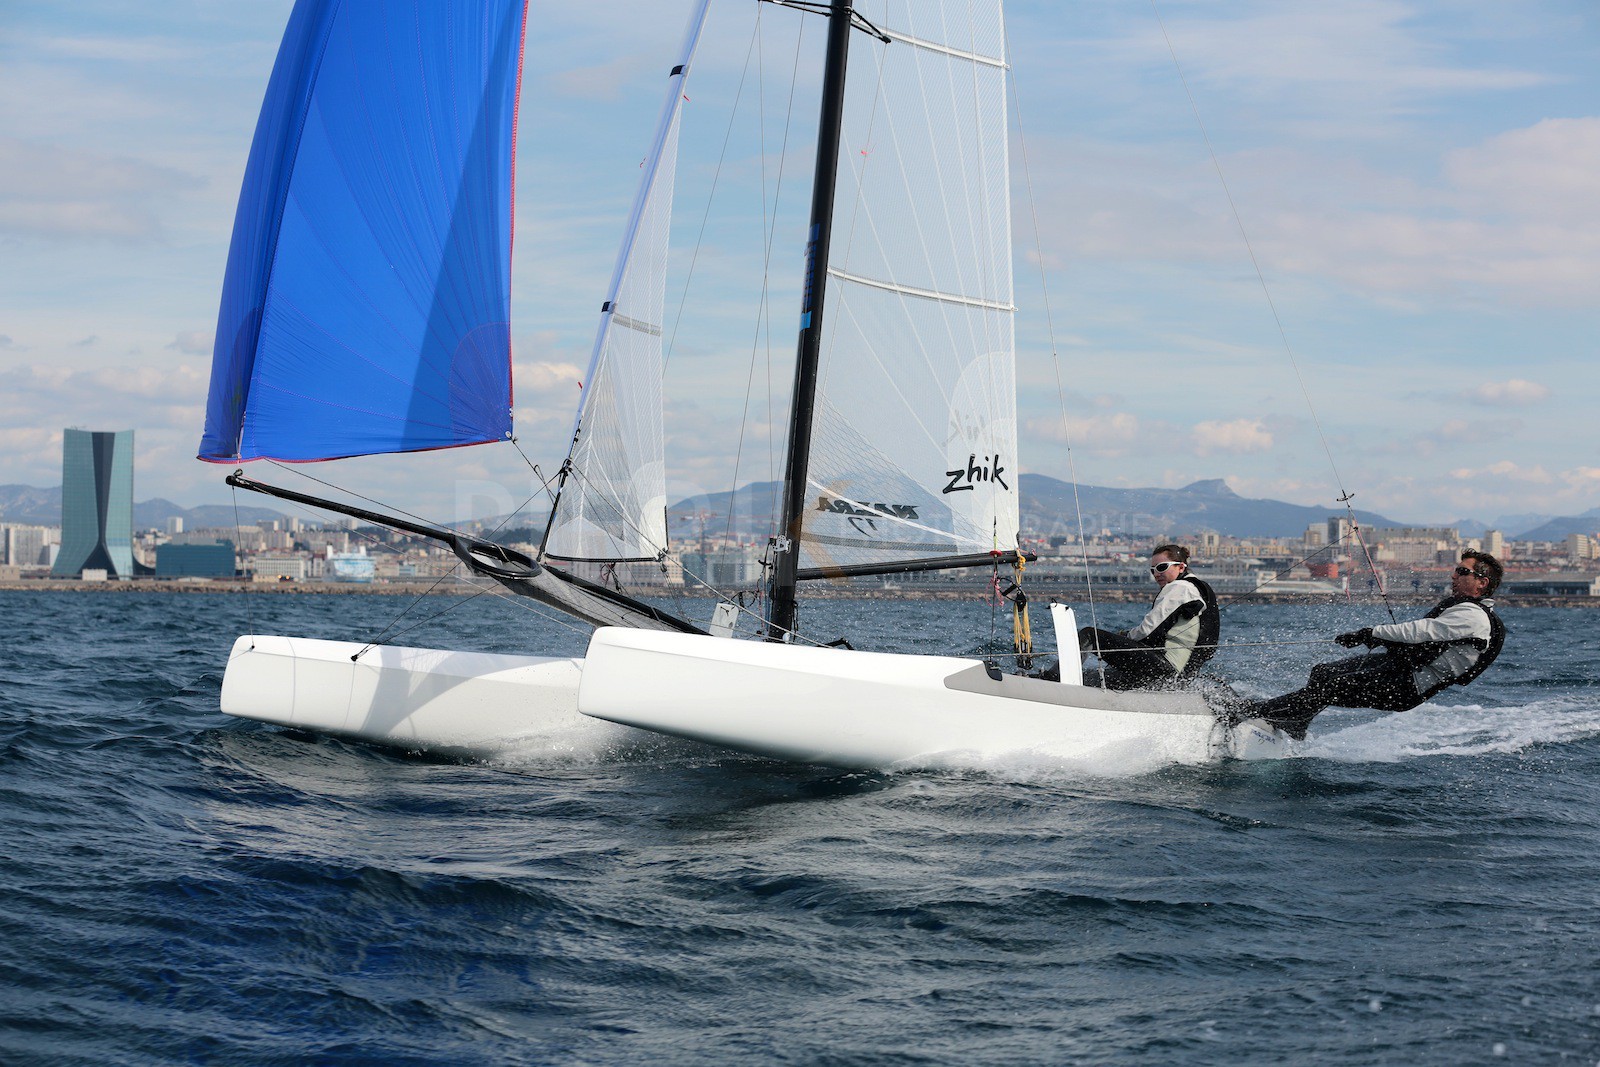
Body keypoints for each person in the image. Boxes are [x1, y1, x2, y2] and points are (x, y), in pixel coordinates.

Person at [1237, 550, 1506, 739]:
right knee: (1323, 673)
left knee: (1332, 687)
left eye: (1462, 571)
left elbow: (1423, 630)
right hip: (1396, 668)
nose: (1454, 576)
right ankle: (1294, 723)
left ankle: (1253, 713)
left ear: (1482, 583)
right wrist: (1372, 637)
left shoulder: (1474, 616)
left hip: (1407, 686)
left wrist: (1369, 633)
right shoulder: (1461, 609)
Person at [1078, 543, 1220, 690]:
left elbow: (1148, 631)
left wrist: (1124, 636)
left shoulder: (1180, 587)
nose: (1156, 574)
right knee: (1091, 677)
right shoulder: (1200, 588)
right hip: (1179, 678)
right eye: (1153, 570)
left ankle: (1055, 679)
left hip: (1164, 669)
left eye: (1162, 567)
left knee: (1089, 635)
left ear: (1181, 567)